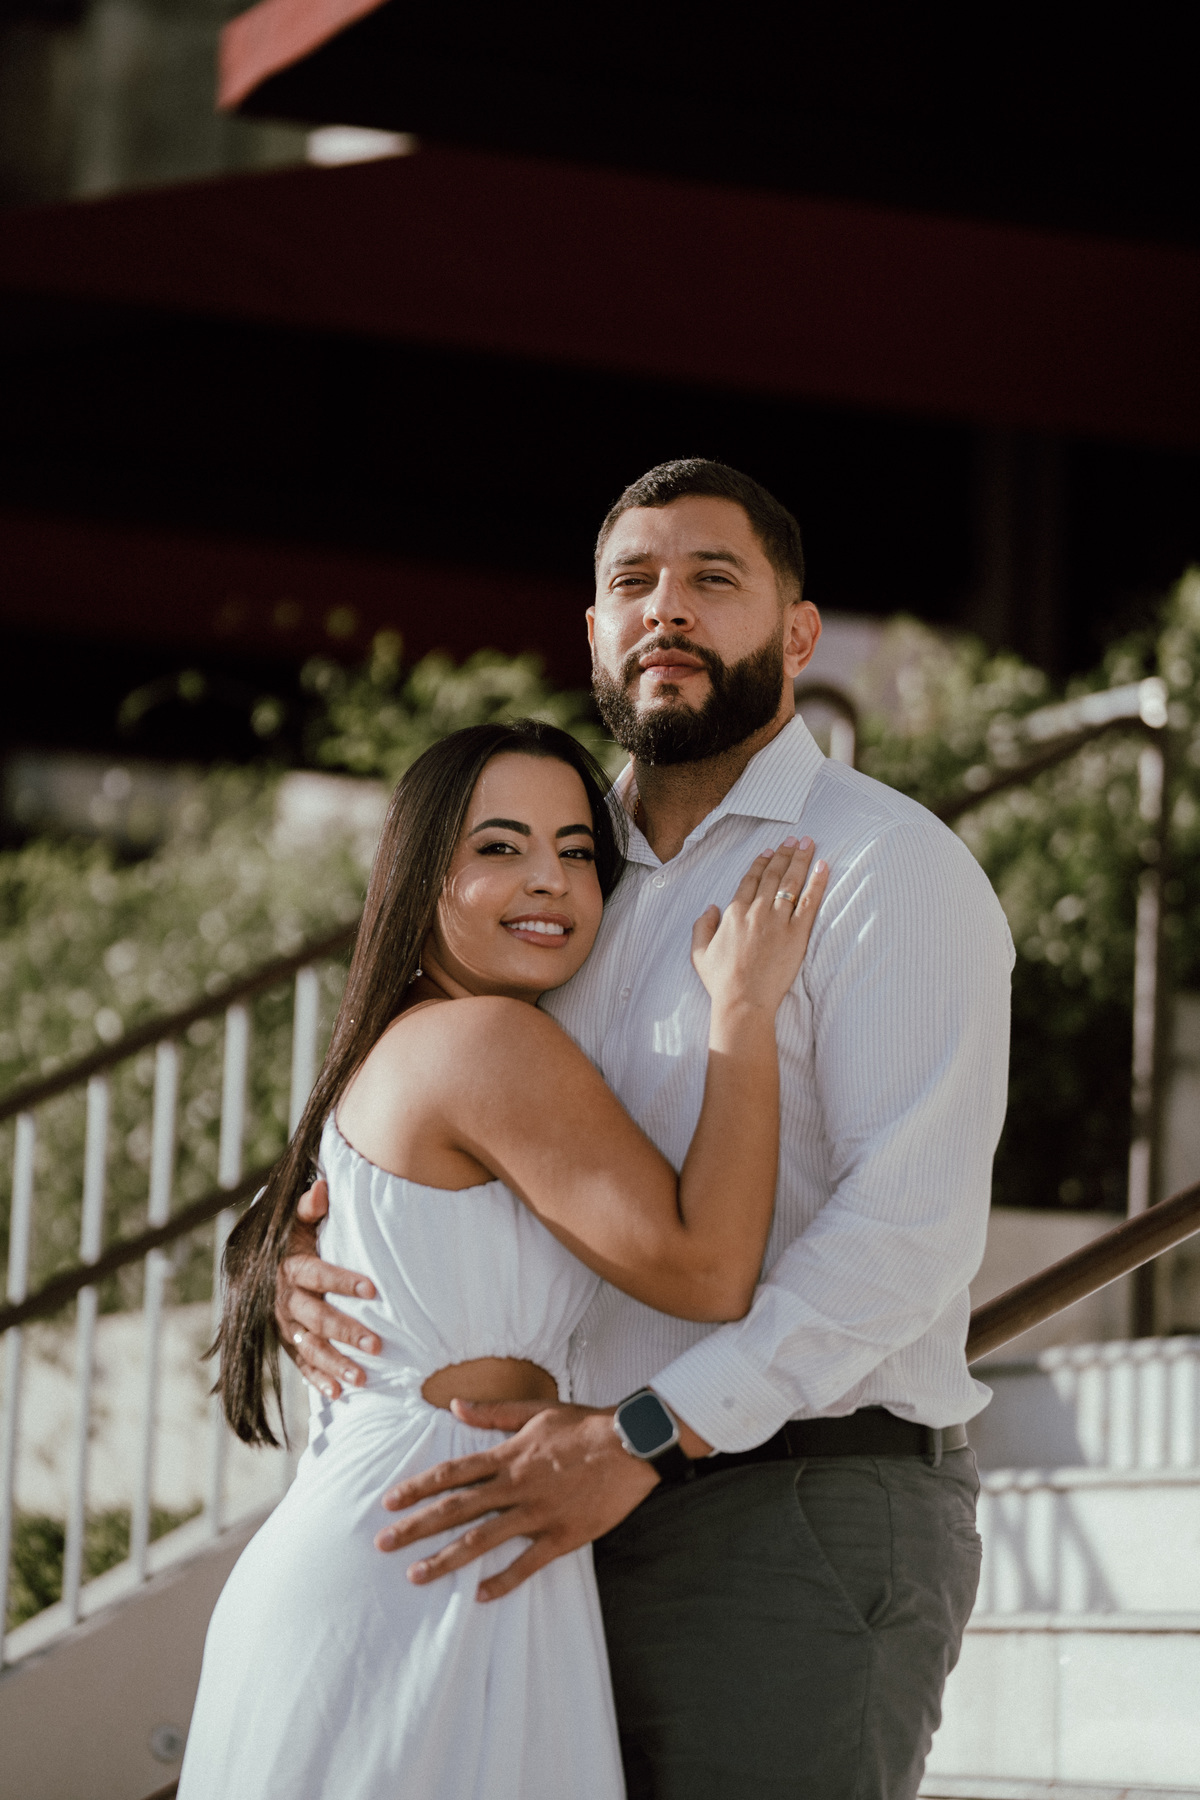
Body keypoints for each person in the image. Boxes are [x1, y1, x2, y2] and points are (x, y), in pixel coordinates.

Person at [283, 459, 1015, 1800]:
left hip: (788, 1515)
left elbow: (908, 1235)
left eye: (712, 579)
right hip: (544, 1519)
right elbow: (435, 1114)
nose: (665, 609)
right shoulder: (558, 876)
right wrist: (296, 1252)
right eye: (633, 582)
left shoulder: (882, 869)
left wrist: (648, 1431)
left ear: (800, 633)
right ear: (592, 631)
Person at [177, 716, 827, 1800]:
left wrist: (266, 1241)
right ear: (422, 872)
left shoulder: (405, 1041)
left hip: (438, 1535)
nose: (550, 883)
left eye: (576, 851)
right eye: (500, 847)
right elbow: (710, 1273)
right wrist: (745, 1008)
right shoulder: (488, 1041)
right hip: (429, 1555)